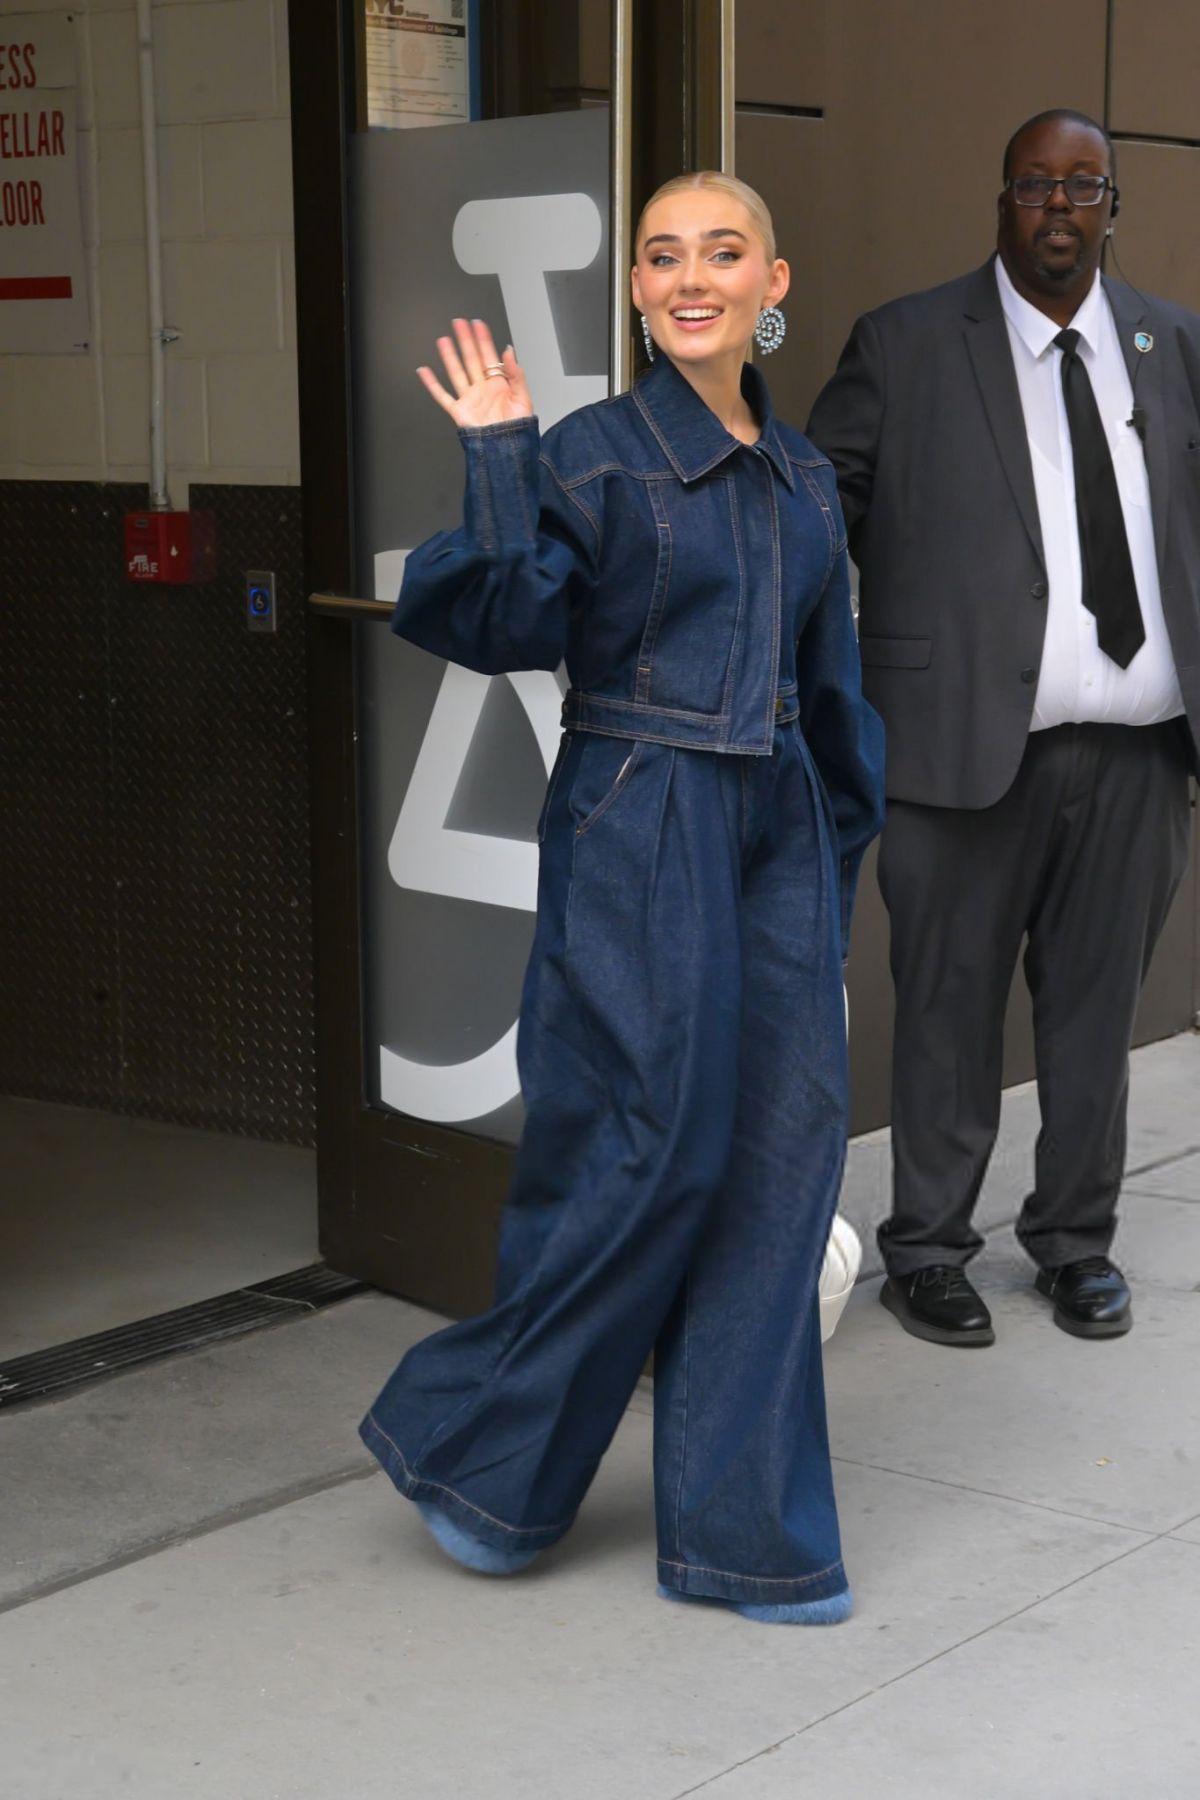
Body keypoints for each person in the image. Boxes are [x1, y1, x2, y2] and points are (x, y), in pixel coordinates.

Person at [360, 171, 884, 1622]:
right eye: (663, 256)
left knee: (780, 1169)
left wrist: (831, 878)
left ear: (774, 282)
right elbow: (504, 619)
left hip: (780, 837)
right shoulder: (590, 454)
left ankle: (746, 1532)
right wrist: (496, 454)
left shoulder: (805, 480)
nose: (690, 277)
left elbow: (833, 695)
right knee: (644, 1154)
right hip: (640, 820)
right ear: (641, 292)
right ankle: (482, 1463)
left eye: (723, 252)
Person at [807, 109, 1200, 1348]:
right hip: (958, 751)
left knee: (1094, 1017)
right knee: (947, 1009)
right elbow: (814, 515)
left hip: (1139, 754)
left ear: (1113, 207)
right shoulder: (908, 343)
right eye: (1037, 185)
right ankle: (928, 1249)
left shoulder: (1171, 342)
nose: (1060, 208)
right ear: (1002, 200)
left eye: (1084, 186)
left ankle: (1076, 1243)